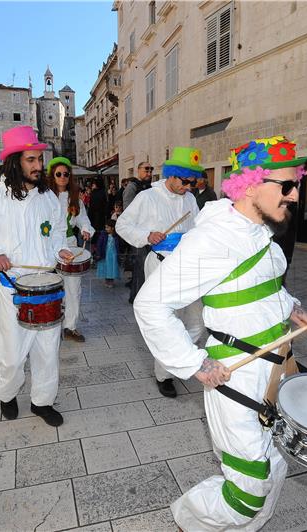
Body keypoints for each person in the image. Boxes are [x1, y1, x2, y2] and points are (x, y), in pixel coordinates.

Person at [134, 135, 307, 531]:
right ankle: (189, 521)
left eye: (296, 182)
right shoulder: (213, 239)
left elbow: (262, 286)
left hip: (276, 366)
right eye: (286, 185)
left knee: (272, 463)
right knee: (247, 488)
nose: (295, 194)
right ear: (250, 185)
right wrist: (194, 362)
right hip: (237, 373)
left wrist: (290, 305)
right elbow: (150, 304)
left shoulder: (259, 234)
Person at [0, 126, 72, 427]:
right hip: (12, 289)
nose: (38, 166)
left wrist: (62, 251)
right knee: (12, 354)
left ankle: (42, 402)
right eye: (31, 159)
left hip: (47, 286)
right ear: (15, 161)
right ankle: (7, 394)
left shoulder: (49, 198)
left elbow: (57, 232)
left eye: (40, 159)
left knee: (48, 351)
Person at [117, 147, 203, 398]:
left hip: (188, 266)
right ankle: (164, 374)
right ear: (173, 175)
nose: (189, 187)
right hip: (162, 265)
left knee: (198, 321)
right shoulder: (148, 197)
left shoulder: (189, 199)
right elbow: (123, 224)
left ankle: (180, 358)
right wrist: (147, 236)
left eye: (192, 183)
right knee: (169, 321)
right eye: (185, 182)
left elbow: (197, 228)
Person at [46, 156, 94, 342]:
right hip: (49, 247)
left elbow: (83, 219)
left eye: (66, 174)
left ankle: (70, 326)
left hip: (71, 245)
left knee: (74, 289)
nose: (63, 177)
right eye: (58, 174)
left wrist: (85, 229)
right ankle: (51, 326)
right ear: (52, 176)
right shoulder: (44, 198)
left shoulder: (76, 198)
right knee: (52, 288)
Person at [122, 162, 154, 302]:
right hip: (138, 233)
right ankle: (137, 297)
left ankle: (139, 295)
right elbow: (128, 212)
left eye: (151, 169)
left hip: (149, 232)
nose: (149, 172)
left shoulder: (149, 187)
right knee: (140, 265)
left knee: (145, 265)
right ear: (138, 170)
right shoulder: (132, 187)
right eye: (146, 169)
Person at [95, 219, 120, 287]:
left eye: (108, 227)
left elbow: (118, 245)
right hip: (105, 254)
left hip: (113, 254)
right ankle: (107, 280)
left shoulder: (116, 236)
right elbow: (99, 244)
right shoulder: (103, 235)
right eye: (106, 227)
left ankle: (111, 281)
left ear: (113, 228)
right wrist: (98, 253)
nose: (106, 229)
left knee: (112, 267)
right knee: (106, 267)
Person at [88, 178, 107, 244]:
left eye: (94, 183)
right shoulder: (103, 192)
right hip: (100, 215)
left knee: (96, 231)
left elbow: (92, 206)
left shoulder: (95, 193)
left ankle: (96, 246)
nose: (93, 185)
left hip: (96, 215)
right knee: (99, 231)